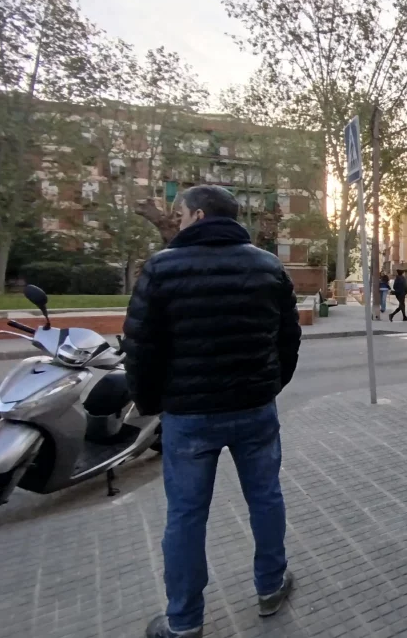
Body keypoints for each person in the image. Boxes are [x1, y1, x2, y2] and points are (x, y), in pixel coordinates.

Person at [125, 185, 301, 638]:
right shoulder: (268, 266)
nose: (177, 222)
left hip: (189, 415)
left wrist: (150, 405)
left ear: (199, 215)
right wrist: (269, 385)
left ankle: (184, 622)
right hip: (254, 409)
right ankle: (270, 586)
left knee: (185, 514)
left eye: (180, 215)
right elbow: (289, 339)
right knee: (265, 498)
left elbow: (141, 348)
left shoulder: (161, 269)